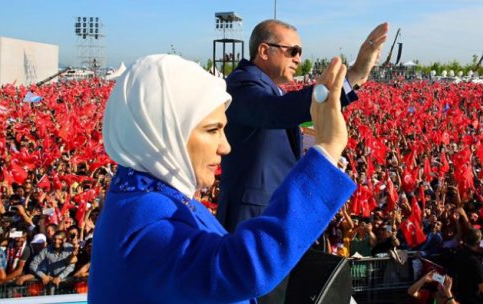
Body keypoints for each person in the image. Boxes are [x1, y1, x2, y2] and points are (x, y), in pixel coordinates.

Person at [88, 54, 356, 303]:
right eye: (212, 129)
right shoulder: (143, 219)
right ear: (165, 131)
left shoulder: (148, 197)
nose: (226, 147)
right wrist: (327, 152)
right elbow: (242, 268)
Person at [216, 19, 389, 232]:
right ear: (264, 50)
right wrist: (352, 76)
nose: (298, 59)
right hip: (251, 217)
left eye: (300, 52)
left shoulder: (270, 89)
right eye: (293, 51)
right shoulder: (242, 85)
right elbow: (278, 110)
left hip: (271, 211)